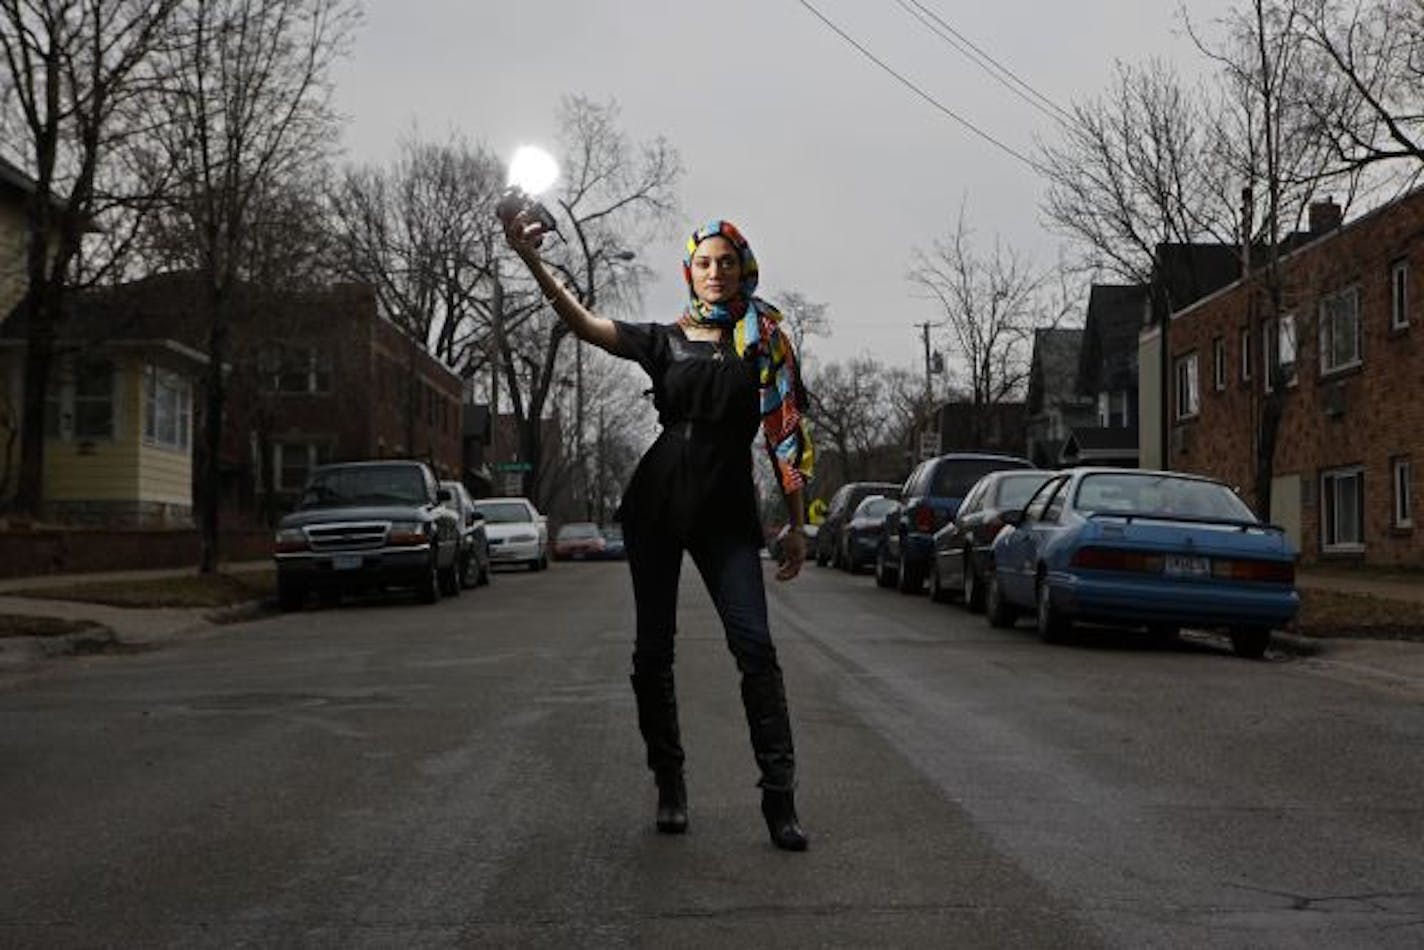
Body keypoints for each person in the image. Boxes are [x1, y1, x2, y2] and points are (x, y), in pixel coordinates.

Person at [503, 212, 815, 852]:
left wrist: (797, 519)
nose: (716, 272)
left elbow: (784, 430)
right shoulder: (663, 340)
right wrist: (532, 261)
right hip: (657, 504)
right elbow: (586, 325)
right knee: (653, 651)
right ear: (690, 272)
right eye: (705, 262)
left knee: (755, 647)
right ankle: (669, 783)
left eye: (727, 262)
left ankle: (780, 801)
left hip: (727, 510)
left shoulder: (766, 341)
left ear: (744, 269)